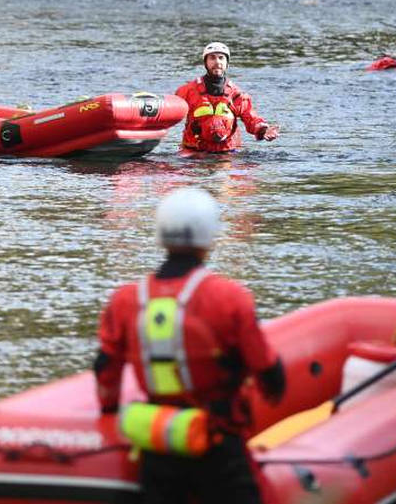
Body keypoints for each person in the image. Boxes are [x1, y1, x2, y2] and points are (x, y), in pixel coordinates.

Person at [94, 187, 287, 504]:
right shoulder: (229, 298)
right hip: (218, 445)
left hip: (159, 444)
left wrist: (109, 412)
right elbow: (268, 373)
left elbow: (106, 369)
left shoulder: (126, 300)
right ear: (210, 236)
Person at [175, 42, 280, 153]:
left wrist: (264, 130)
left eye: (221, 58)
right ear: (205, 63)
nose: (217, 62)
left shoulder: (237, 95)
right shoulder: (187, 91)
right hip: (193, 152)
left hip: (226, 154)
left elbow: (251, 119)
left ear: (227, 63)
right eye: (212, 58)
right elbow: (170, 113)